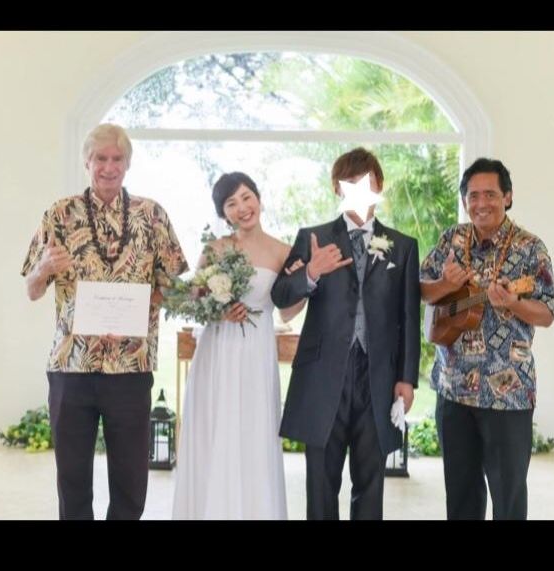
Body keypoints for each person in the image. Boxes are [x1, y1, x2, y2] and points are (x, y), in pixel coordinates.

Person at [21, 123, 187, 520]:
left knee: (130, 480)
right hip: (71, 365)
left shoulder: (152, 215)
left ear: (128, 163)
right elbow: (32, 289)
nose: (109, 167)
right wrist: (44, 268)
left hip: (130, 366)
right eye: (100, 158)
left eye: (117, 159)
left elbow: (174, 288)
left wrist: (136, 314)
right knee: (72, 478)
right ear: (87, 162)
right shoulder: (59, 214)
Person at [270, 148, 421, 520]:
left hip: (378, 377)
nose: (358, 188)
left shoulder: (402, 247)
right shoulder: (313, 238)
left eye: (365, 181)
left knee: (370, 481)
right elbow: (281, 295)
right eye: (349, 182)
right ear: (337, 189)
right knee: (321, 481)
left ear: (379, 185)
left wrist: (406, 378)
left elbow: (408, 316)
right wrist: (311, 273)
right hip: (323, 376)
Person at [420, 157, 554, 521]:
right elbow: (422, 290)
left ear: (507, 197)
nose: (481, 203)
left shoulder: (530, 248)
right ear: (465, 200)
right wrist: (445, 284)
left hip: (507, 394)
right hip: (453, 388)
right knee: (461, 496)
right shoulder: (452, 239)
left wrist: (514, 303)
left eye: (491, 194)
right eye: (474, 195)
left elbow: (546, 313)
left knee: (508, 497)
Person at [172, 172, 304, 520]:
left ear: (258, 198)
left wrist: (307, 281)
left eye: (247, 197)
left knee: (254, 433)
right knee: (214, 429)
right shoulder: (215, 249)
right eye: (231, 203)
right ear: (223, 213)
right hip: (217, 350)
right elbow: (193, 301)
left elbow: (288, 310)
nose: (242, 207)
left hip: (256, 352)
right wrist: (218, 309)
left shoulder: (282, 251)